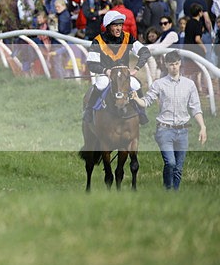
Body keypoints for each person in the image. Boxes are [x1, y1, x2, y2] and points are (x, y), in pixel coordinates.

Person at [132, 51, 207, 191]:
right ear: (166, 65)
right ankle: (167, 190)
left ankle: (175, 193)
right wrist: (136, 98)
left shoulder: (189, 85)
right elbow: (147, 101)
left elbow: (195, 108)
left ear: (180, 63)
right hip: (164, 130)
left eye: (177, 64)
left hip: (183, 130)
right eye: (171, 64)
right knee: (171, 163)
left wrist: (202, 127)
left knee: (178, 167)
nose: (174, 67)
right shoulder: (159, 84)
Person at [84, 10, 151, 122]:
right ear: (108, 27)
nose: (119, 28)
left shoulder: (128, 38)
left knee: (135, 84)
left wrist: (136, 68)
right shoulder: (98, 41)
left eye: (120, 25)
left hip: (123, 74)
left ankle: (141, 112)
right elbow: (92, 64)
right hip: (107, 74)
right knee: (101, 84)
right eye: (115, 25)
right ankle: (89, 110)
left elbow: (145, 52)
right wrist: (105, 71)